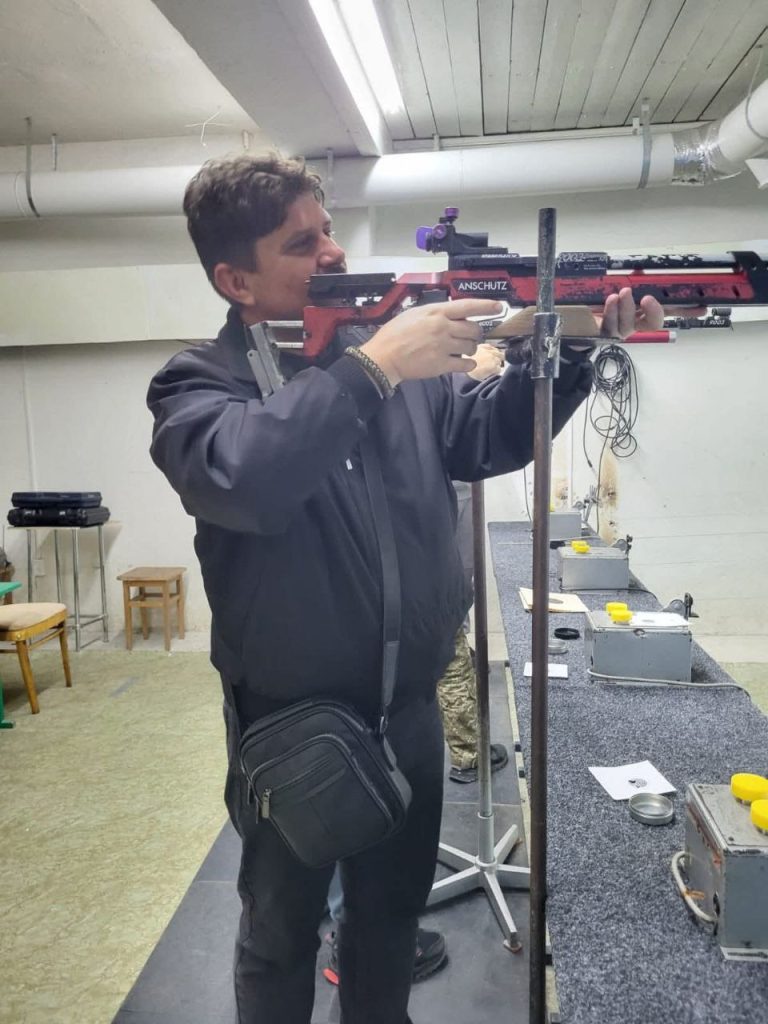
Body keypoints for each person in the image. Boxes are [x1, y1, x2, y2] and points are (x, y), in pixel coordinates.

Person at [147, 154, 664, 1024]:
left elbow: (485, 439)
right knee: (280, 939)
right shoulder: (199, 383)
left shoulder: (392, 364)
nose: (332, 252)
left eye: (328, 231)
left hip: (409, 715)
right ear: (236, 280)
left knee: (387, 929)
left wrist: (571, 349)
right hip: (293, 727)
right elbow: (245, 478)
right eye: (300, 244)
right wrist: (374, 368)